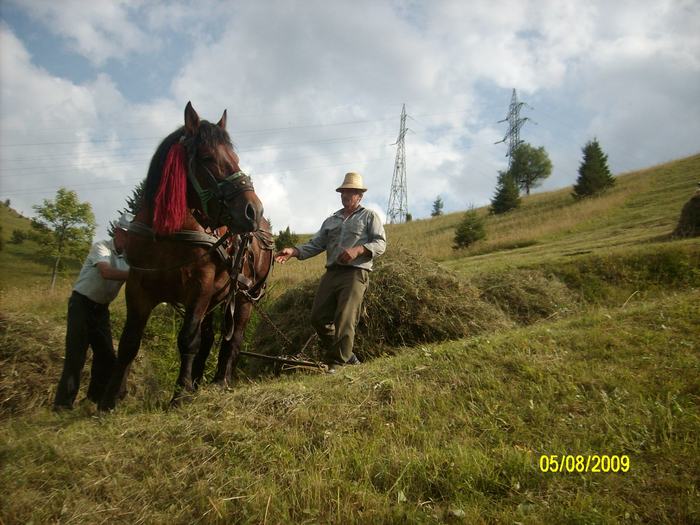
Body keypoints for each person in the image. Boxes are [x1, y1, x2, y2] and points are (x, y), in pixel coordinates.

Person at [275, 172, 386, 372]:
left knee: (345, 318)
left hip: (355, 273)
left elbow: (380, 243)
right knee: (318, 317)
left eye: (351, 192)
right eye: (344, 191)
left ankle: (337, 363)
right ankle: (348, 355)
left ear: (360, 195)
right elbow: (316, 244)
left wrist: (358, 250)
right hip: (332, 273)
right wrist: (293, 251)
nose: (346, 195)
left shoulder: (369, 216)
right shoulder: (331, 220)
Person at [53, 212, 132, 409]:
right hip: (81, 305)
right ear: (118, 232)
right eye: (128, 234)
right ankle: (62, 406)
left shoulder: (129, 258)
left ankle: (92, 399)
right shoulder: (102, 247)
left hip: (101, 310)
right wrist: (135, 275)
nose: (131, 239)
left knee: (106, 357)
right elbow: (105, 272)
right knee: (76, 356)